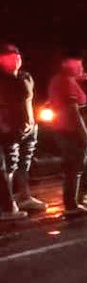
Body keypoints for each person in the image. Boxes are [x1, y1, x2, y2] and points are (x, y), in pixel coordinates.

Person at [47, 51, 87, 215]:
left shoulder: (60, 80)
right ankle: (71, 205)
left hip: (62, 128)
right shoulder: (66, 81)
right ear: (66, 64)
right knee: (74, 167)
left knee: (72, 167)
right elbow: (72, 110)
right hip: (70, 129)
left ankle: (72, 202)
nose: (80, 68)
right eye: (78, 65)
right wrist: (84, 133)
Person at [0, 44, 33, 220]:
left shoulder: (23, 77)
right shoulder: (4, 80)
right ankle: (7, 206)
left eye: (18, 56)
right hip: (6, 129)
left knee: (13, 164)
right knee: (4, 168)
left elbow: (27, 102)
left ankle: (14, 201)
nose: (16, 60)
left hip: (20, 128)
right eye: (11, 57)